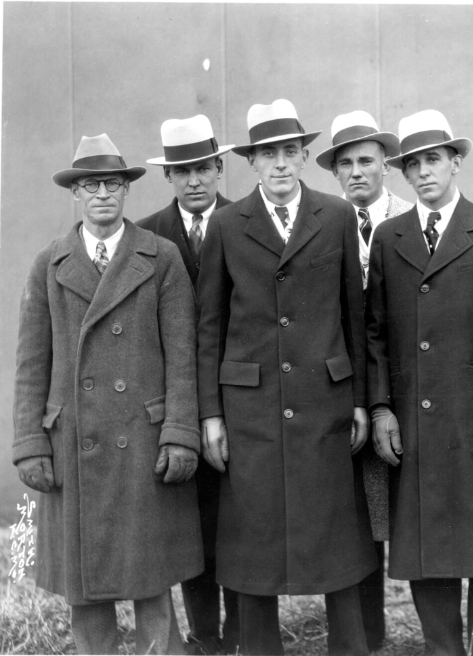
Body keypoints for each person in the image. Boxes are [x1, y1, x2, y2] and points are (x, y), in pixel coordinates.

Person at [196, 99, 376, 656]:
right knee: (253, 538)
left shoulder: (337, 215)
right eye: (267, 154)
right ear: (252, 162)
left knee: (337, 537)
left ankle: (349, 646)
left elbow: (355, 315)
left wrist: (362, 402)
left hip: (325, 399)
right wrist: (210, 414)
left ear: (303, 157)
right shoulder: (227, 224)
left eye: (289, 152)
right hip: (249, 407)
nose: (279, 164)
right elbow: (209, 326)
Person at [13, 133, 203, 654]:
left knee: (150, 576)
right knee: (85, 582)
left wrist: (181, 433)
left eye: (113, 183)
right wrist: (30, 442)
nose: (103, 194)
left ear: (126, 191)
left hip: (143, 439)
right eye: (91, 184)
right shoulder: (49, 264)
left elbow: (182, 354)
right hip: (74, 440)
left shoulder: (160, 257)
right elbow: (31, 363)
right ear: (76, 193)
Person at [366, 109, 473, 656]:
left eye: (432, 160)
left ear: (456, 162)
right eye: (411, 165)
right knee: (425, 544)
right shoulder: (389, 238)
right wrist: (381, 408)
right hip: (414, 419)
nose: (422, 173)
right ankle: (442, 648)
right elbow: (375, 333)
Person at [136, 114, 238, 655]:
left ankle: (244, 631)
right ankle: (204, 635)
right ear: (168, 178)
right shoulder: (147, 235)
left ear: (220, 168)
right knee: (192, 523)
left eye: (203, 168)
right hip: (177, 400)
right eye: (182, 171)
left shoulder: (247, 222)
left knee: (240, 519)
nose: (194, 180)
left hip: (241, 397)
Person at [316, 109, 413, 652]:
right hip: (339, 389)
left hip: (401, 386)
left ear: (386, 166)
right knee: (352, 517)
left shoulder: (406, 218)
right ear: (334, 172)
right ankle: (363, 635)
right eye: (346, 163)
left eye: (368, 161)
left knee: (404, 509)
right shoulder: (323, 222)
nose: (357, 172)